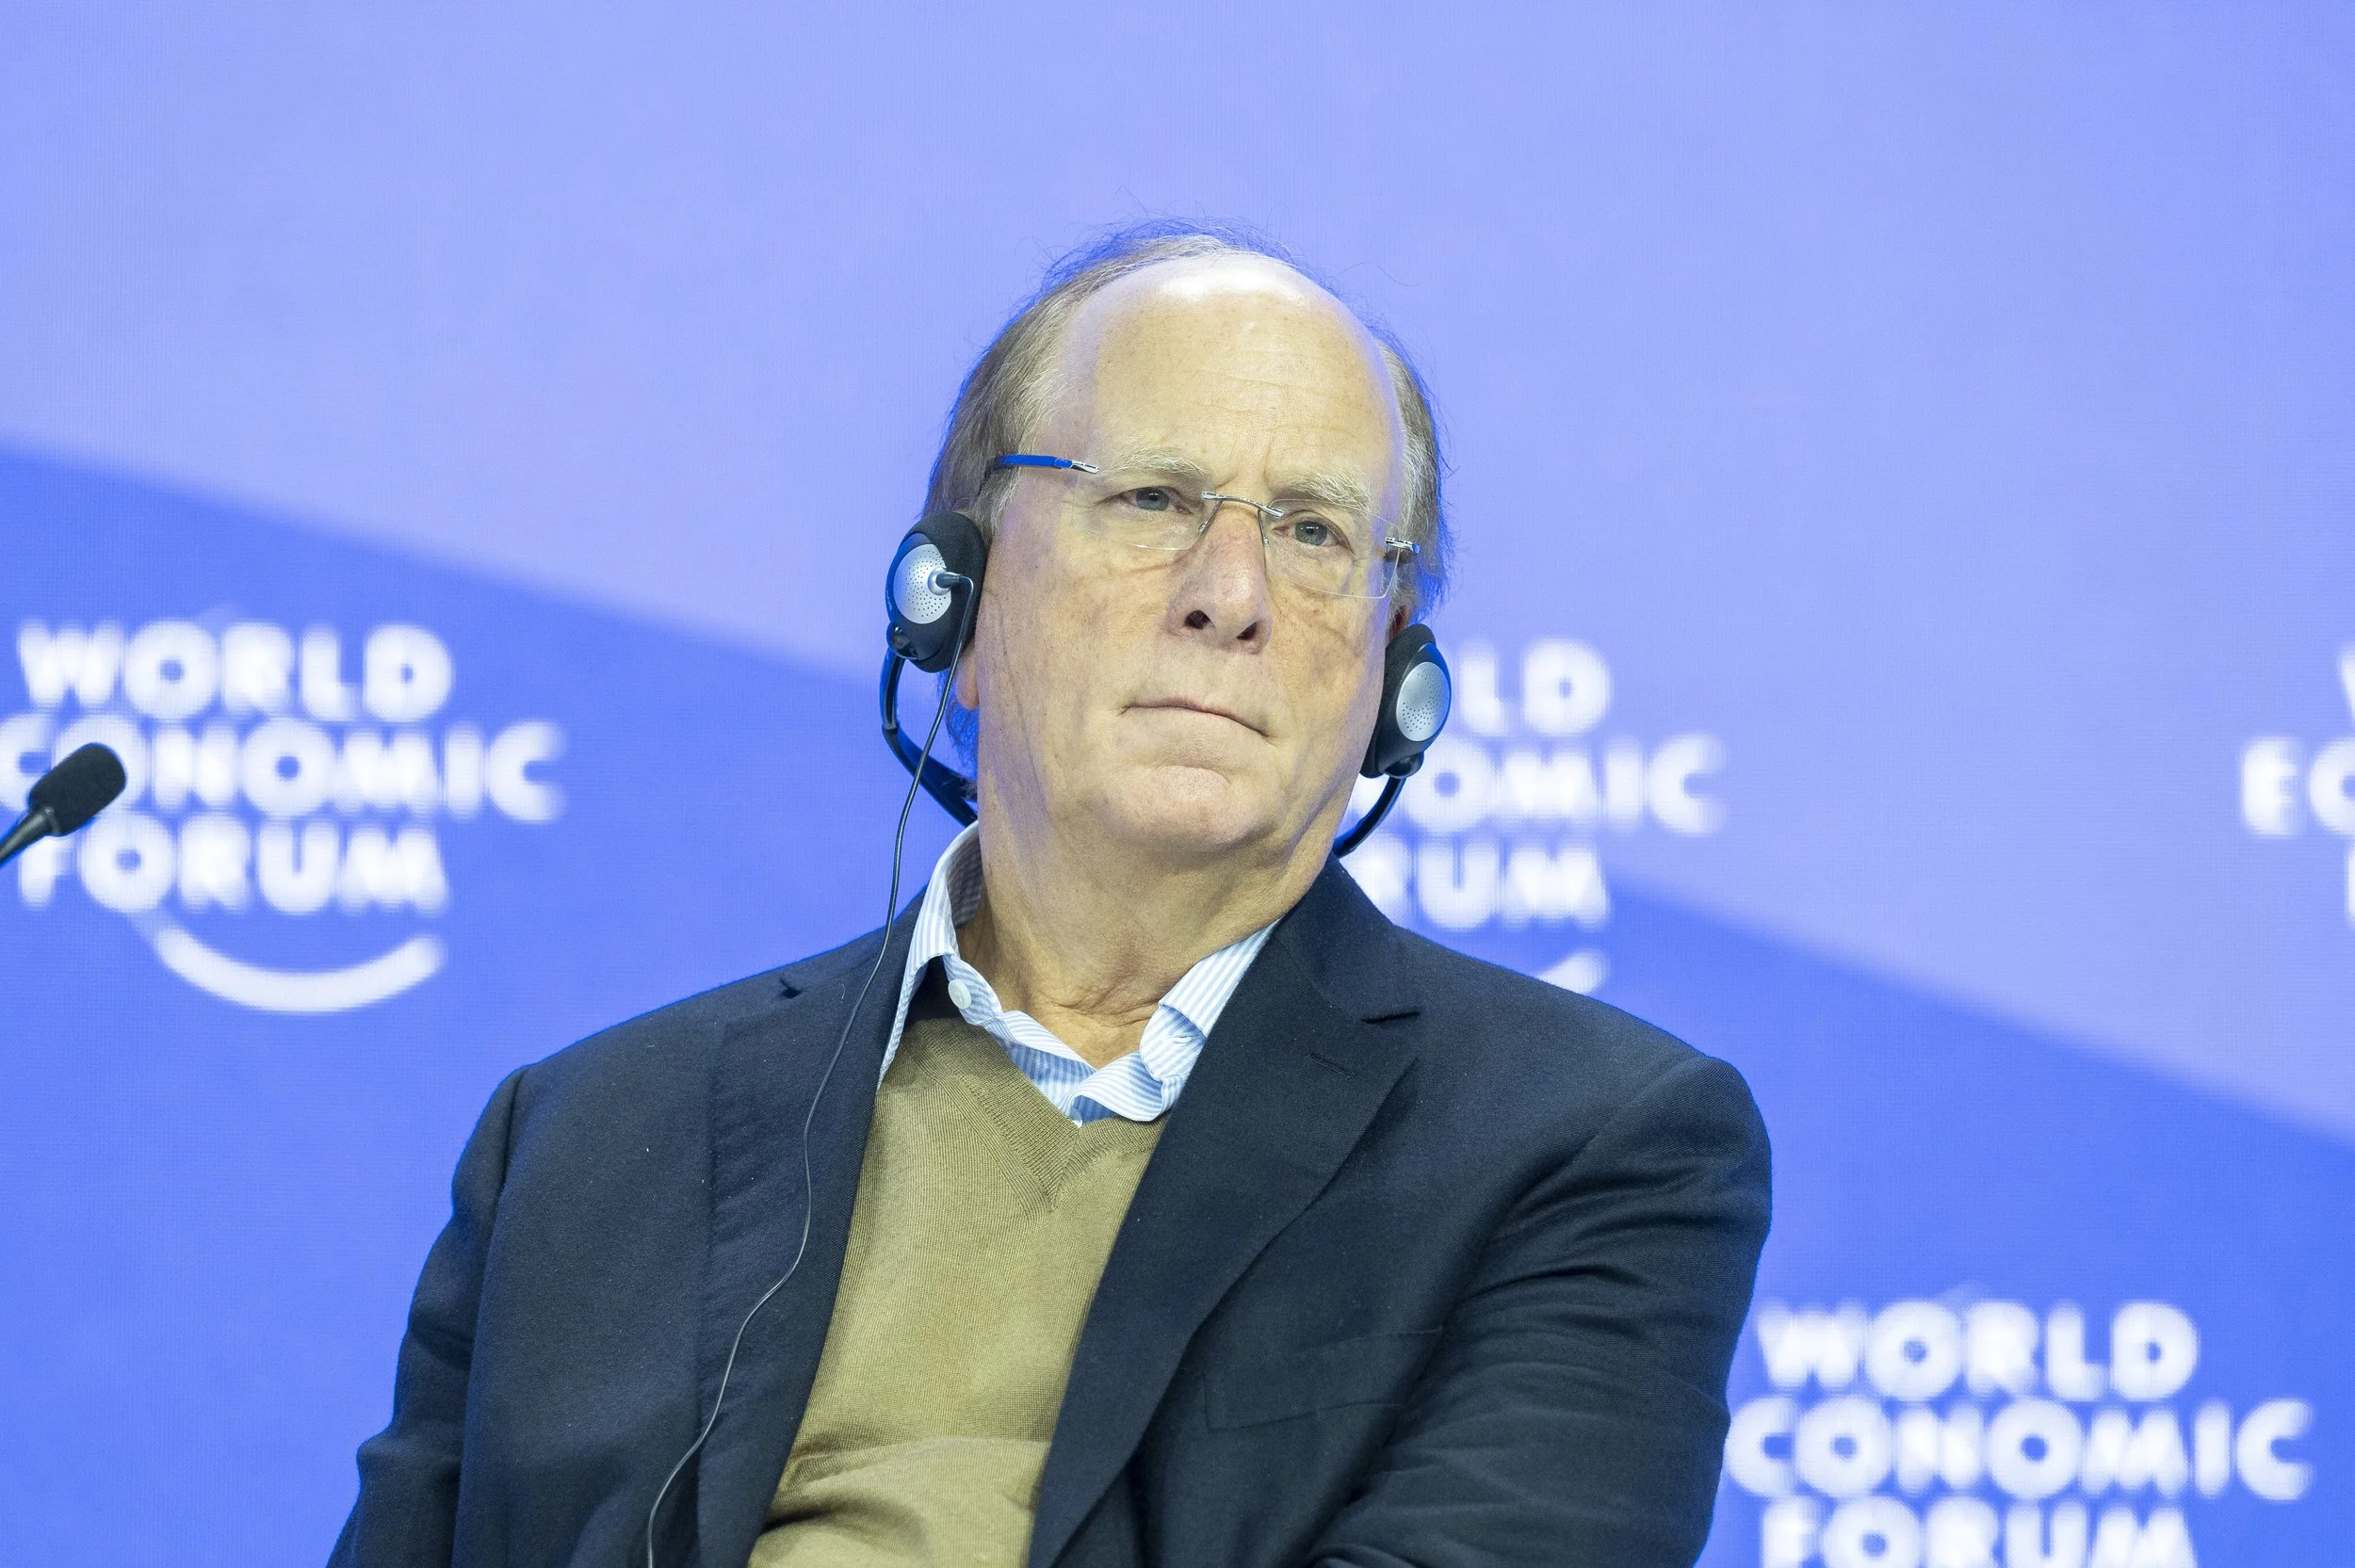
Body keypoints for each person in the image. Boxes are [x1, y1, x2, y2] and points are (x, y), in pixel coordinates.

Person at [331, 222, 1771, 1568]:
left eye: (1318, 533)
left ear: (1396, 681)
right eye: (1151, 499)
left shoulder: (1594, 1151)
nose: (1232, 591)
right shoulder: (582, 1142)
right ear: (951, 602)